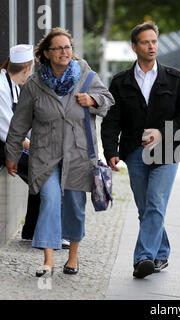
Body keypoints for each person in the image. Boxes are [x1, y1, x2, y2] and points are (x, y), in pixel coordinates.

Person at [5, 27, 114, 277]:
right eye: (59, 48)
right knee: (50, 201)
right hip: (45, 155)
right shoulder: (34, 83)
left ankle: (73, 257)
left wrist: (93, 101)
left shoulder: (85, 74)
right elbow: (19, 122)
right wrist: (12, 154)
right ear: (46, 53)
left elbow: (107, 99)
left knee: (75, 206)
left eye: (68, 47)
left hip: (78, 154)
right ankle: (48, 260)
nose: (65, 52)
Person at [101, 21, 180, 279]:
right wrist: (111, 150)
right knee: (145, 208)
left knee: (155, 203)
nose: (151, 46)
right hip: (134, 152)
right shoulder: (120, 82)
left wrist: (161, 132)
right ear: (135, 47)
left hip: (167, 152)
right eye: (145, 42)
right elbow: (111, 119)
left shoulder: (175, 79)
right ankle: (161, 252)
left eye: (154, 41)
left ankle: (143, 258)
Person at [0, 44, 40, 241]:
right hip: (5, 146)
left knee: (42, 171)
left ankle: (32, 230)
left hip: (11, 145)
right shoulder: (1, 86)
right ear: (27, 68)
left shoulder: (14, 86)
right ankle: (34, 231)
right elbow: (9, 131)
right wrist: (37, 149)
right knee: (42, 170)